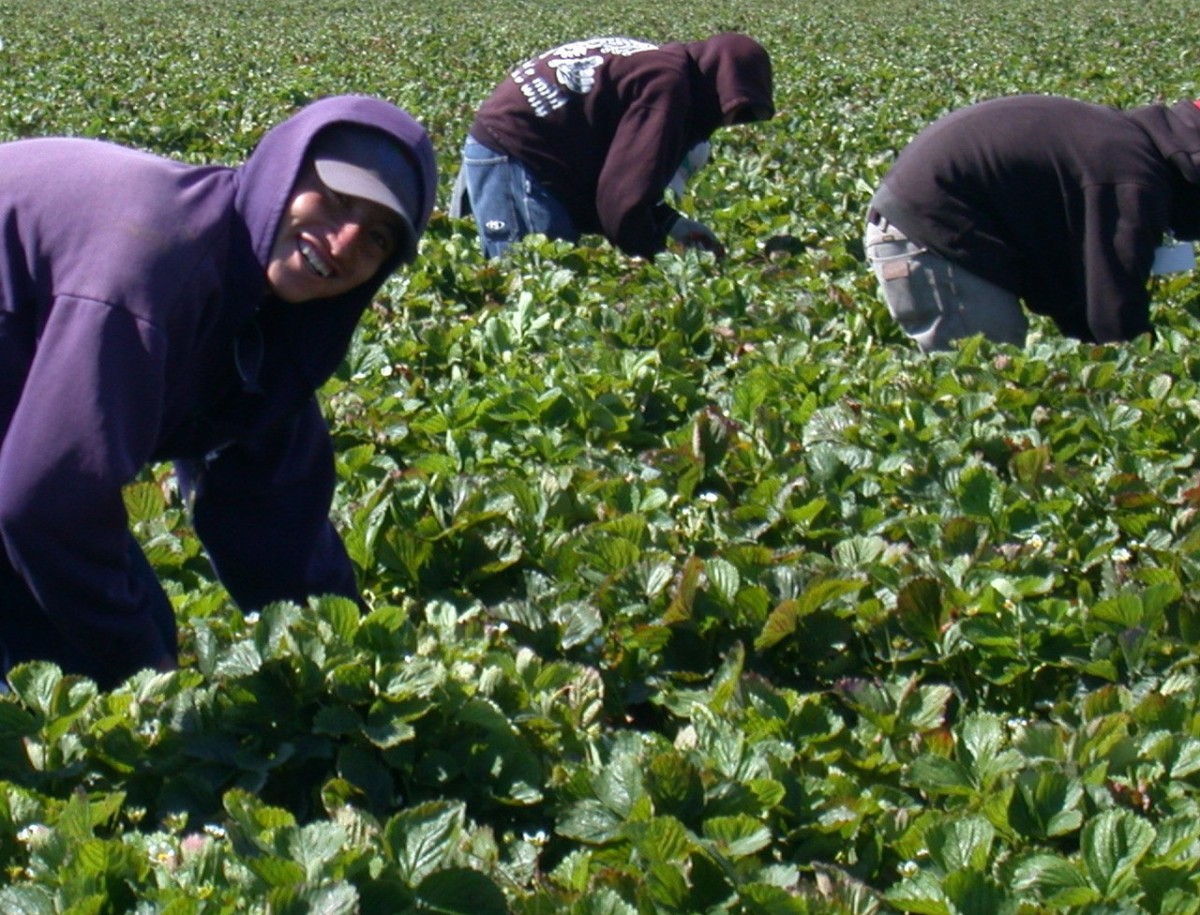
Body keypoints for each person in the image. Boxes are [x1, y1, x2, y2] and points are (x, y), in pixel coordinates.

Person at [0, 95, 437, 688]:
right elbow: (45, 505)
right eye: (335, 201)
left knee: (123, 631)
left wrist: (355, 669)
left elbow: (274, 511)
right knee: (75, 669)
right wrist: (143, 673)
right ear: (282, 172)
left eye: (379, 238)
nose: (344, 242)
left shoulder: (268, 321)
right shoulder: (154, 270)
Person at [864, 95, 1200, 352]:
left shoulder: (1125, 144)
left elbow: (1078, 289)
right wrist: (1150, 370)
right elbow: (1113, 308)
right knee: (990, 386)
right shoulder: (1130, 176)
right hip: (933, 237)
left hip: (948, 228)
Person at [451, 33, 774, 259]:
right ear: (719, 84)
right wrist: (661, 257)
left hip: (522, 148)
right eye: (728, 111)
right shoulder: (668, 87)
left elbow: (616, 172)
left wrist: (669, 223)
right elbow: (622, 197)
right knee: (537, 274)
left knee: (548, 267)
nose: (720, 124)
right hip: (515, 151)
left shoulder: (658, 65)